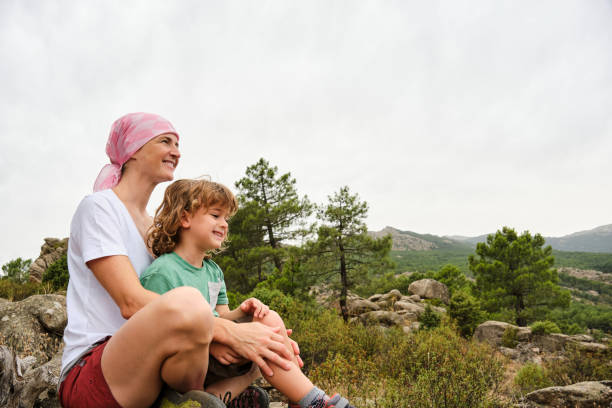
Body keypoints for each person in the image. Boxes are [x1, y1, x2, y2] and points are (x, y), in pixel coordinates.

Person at [59, 112, 295, 408]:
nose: (176, 151)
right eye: (165, 141)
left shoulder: (154, 230)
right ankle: (211, 395)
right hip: (96, 374)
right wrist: (229, 332)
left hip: (157, 368)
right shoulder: (99, 208)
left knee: (262, 321)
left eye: (178, 144)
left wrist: (264, 338)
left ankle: (306, 399)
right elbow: (131, 302)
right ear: (133, 150)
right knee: (191, 301)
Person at [140, 178, 357, 408]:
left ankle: (301, 399)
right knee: (267, 339)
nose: (224, 224)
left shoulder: (213, 271)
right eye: (215, 215)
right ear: (185, 218)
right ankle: (312, 401)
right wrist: (211, 342)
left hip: (217, 353)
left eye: (226, 218)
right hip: (187, 361)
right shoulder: (163, 272)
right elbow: (159, 334)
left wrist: (242, 311)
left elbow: (221, 315)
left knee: (268, 318)